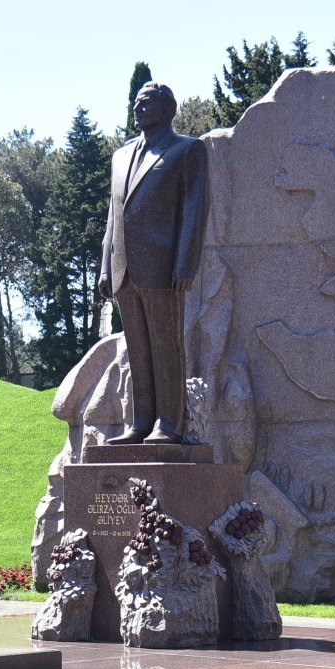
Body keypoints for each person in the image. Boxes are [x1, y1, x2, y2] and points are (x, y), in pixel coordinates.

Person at [98, 81, 208, 444]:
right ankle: (140, 422)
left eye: (145, 103)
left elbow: (195, 211)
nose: (137, 108)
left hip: (163, 268)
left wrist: (186, 264)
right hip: (124, 270)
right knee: (139, 350)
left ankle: (169, 423)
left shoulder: (187, 150)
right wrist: (104, 266)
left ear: (166, 109)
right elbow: (114, 216)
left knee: (165, 346)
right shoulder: (120, 156)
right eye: (135, 102)